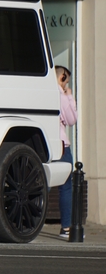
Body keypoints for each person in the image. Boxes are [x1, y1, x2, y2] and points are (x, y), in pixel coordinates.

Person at [55, 65, 78, 240]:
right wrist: (69, 95)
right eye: (66, 81)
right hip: (61, 144)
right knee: (65, 186)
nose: (66, 85)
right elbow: (72, 119)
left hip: (45, 143)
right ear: (62, 77)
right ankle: (66, 228)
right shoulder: (61, 96)